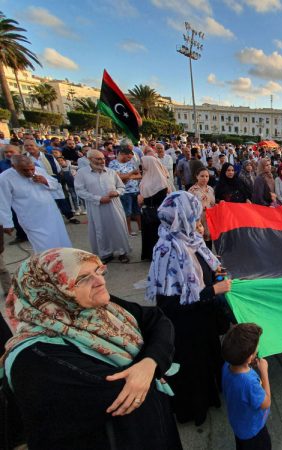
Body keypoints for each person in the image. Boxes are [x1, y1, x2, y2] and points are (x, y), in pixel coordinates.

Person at [1, 248, 182, 449]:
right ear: (50, 291)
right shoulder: (35, 358)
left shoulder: (97, 307)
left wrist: (150, 363)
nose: (100, 281)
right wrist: (154, 356)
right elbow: (126, 390)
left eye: (99, 271)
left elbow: (157, 319)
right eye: (82, 279)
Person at [146, 191, 232, 426]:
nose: (199, 222)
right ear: (181, 217)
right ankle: (197, 409)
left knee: (208, 358)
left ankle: (211, 395)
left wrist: (214, 272)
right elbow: (172, 303)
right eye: (194, 216)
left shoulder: (187, 239)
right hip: (187, 325)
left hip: (201, 318)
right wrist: (214, 290)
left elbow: (200, 267)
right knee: (195, 367)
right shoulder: (169, 250)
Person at [0, 155, 72, 253]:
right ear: (14, 166)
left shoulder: (39, 170)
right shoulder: (5, 178)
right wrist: (6, 223)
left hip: (52, 214)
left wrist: (45, 181)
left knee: (62, 241)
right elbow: (3, 202)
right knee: (44, 248)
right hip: (32, 219)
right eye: (25, 170)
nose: (30, 172)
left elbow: (56, 185)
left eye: (32, 169)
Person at [75, 150, 131, 264]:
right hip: (96, 207)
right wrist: (98, 199)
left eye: (103, 159)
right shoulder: (82, 173)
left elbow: (121, 187)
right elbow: (80, 191)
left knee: (118, 228)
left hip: (114, 206)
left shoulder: (111, 172)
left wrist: (116, 192)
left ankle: (122, 252)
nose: (102, 161)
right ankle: (106, 253)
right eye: (98, 159)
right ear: (90, 159)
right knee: (101, 230)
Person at [221, 323, 271, 450]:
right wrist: (264, 372)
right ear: (249, 358)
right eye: (256, 350)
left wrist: (248, 364)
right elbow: (266, 403)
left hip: (239, 426)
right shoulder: (249, 383)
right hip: (253, 432)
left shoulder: (226, 365)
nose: (258, 349)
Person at [139, 156, 170, 261]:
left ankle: (156, 255)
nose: (142, 165)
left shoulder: (160, 181)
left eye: (143, 163)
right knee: (149, 234)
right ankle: (149, 255)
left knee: (155, 234)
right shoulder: (147, 175)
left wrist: (143, 199)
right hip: (148, 211)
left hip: (155, 212)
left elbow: (159, 198)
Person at [109, 147, 142, 236]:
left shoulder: (130, 163)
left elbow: (139, 175)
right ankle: (129, 230)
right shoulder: (113, 164)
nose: (130, 159)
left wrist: (127, 176)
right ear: (122, 154)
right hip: (124, 192)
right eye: (128, 157)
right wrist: (131, 173)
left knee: (138, 211)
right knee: (127, 212)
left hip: (135, 190)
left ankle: (140, 228)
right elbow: (118, 177)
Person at [189, 167, 216, 242]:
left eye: (207, 176)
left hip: (209, 220)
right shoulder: (192, 190)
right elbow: (189, 208)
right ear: (197, 176)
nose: (205, 178)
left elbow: (213, 204)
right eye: (202, 176)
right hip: (198, 221)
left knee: (209, 243)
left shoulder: (210, 189)